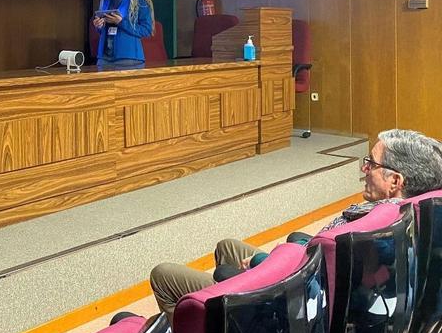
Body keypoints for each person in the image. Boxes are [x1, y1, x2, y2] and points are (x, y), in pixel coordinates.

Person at [150, 129, 442, 322]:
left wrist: (264, 261)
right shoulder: (408, 216)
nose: (363, 169)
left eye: (371, 163)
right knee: (227, 248)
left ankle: (205, 330)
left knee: (163, 275)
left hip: (287, 301)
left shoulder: (363, 232)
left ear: (395, 182)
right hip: (305, 277)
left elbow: (312, 276)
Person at [91, 0, 155, 66]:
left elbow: (147, 30)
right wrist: (99, 25)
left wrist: (121, 22)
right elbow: (101, 29)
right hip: (104, 56)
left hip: (128, 58)